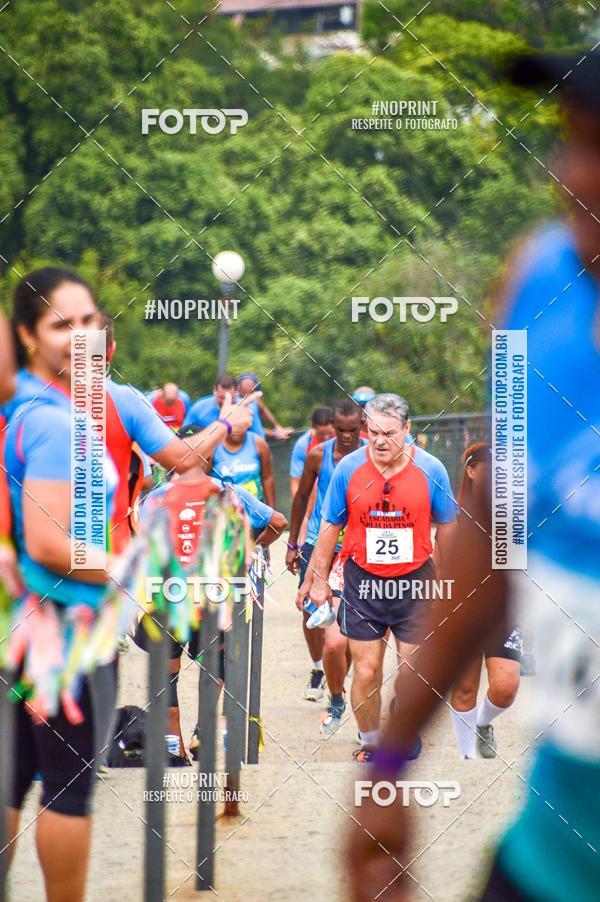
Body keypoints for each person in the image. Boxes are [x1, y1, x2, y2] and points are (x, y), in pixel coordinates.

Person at [346, 50, 600, 902]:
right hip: (551, 859)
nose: (575, 175)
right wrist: (387, 764)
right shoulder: (539, 286)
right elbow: (496, 534)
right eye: (572, 142)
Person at [4, 270, 120, 902]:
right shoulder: (54, 421)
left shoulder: (27, 409)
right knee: (67, 787)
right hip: (62, 626)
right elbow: (48, 541)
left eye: (89, 320)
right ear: (26, 335)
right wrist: (129, 572)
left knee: (14, 777)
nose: (81, 337)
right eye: (61, 325)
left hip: (20, 625)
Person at [298, 393, 458, 762]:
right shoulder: (348, 469)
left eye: (389, 433)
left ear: (407, 429)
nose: (381, 441)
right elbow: (329, 525)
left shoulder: (431, 469)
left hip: (415, 581)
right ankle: (371, 742)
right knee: (367, 671)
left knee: (415, 672)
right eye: (374, 432)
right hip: (363, 581)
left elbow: (448, 527)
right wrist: (318, 579)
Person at [133, 424, 287, 762]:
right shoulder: (228, 493)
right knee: (214, 666)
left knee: (167, 670)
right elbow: (277, 522)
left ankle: (174, 743)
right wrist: (252, 551)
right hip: (214, 597)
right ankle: (201, 731)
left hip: (170, 597)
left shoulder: (157, 497)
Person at [286, 398, 366, 722]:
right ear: (332, 427)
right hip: (319, 542)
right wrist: (293, 542)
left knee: (343, 620)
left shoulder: (371, 456)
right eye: (341, 430)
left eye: (353, 430)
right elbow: (302, 496)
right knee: (310, 610)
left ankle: (338, 673)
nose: (347, 436)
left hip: (354, 546)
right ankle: (320, 667)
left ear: (361, 426)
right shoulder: (318, 455)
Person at [449, 443, 522, 759]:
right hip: (461, 610)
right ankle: (467, 759)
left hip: (501, 612)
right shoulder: (452, 514)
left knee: (506, 687)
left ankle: (483, 721)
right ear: (472, 471)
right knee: (464, 688)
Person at [207, 414, 276, 510]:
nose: (237, 430)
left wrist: (271, 511)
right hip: (224, 511)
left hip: (255, 509)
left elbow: (267, 478)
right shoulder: (212, 445)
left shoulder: (259, 443)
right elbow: (203, 479)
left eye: (241, 426)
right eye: (233, 426)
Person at [185, 372, 265, 437]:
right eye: (222, 397)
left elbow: (259, 438)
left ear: (237, 390)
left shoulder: (249, 409)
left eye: (230, 398)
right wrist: (198, 433)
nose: (225, 402)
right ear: (215, 391)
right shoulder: (199, 408)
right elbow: (183, 433)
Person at [289, 405, 335, 500]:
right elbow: (296, 481)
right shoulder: (303, 445)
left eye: (330, 434)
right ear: (312, 428)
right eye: (321, 435)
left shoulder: (344, 439)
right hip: (316, 499)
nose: (326, 438)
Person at [236, 373, 293, 440]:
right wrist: (275, 434)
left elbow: (263, 409)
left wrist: (278, 427)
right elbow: (252, 430)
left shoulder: (254, 399)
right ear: (238, 390)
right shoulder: (238, 405)